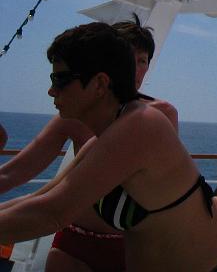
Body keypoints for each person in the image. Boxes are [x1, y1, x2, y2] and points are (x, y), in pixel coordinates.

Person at [0, 22, 217, 272]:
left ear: (100, 84)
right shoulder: (102, 140)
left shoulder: (141, 124)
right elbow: (41, 198)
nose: (51, 91)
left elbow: (52, 213)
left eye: (60, 79)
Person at [0, 15, 178, 272]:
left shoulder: (158, 116)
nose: (135, 68)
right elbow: (16, 172)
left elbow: (53, 203)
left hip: (129, 244)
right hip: (74, 239)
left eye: (142, 60)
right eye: (129, 57)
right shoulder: (75, 113)